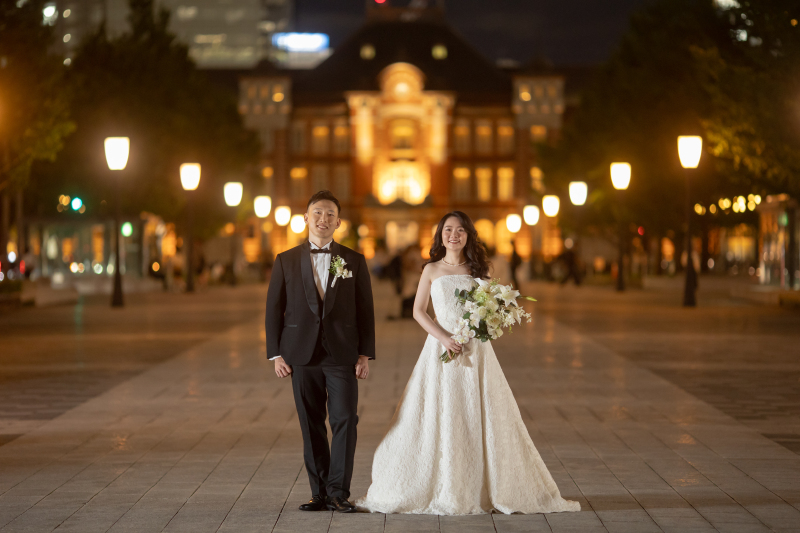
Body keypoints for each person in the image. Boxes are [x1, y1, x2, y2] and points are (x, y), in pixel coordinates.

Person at [355, 211, 580, 515]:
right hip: (441, 349)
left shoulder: (479, 269)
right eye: (448, 230)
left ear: (468, 235)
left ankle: (484, 484)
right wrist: (445, 338)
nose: (454, 235)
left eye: (460, 230)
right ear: (440, 235)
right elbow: (419, 311)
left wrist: (481, 327)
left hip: (476, 350)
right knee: (440, 411)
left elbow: (489, 306)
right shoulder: (431, 269)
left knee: (480, 412)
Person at [265, 190, 376, 513]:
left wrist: (364, 354)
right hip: (300, 354)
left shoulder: (354, 260)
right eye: (317, 213)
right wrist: (276, 354)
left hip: (341, 354)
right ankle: (319, 492)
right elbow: (274, 309)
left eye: (330, 214)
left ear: (338, 222)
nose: (323, 219)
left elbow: (364, 310)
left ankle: (339, 491)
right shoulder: (285, 260)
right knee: (310, 422)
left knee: (345, 420)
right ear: (306, 218)